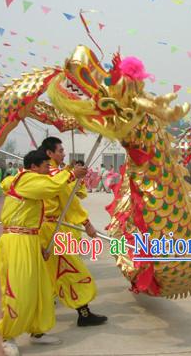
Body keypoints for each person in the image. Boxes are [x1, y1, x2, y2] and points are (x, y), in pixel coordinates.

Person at [0, 150, 87, 356]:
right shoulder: (28, 179)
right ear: (34, 167)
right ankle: (8, 335)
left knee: (41, 290)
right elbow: (51, 187)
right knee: (19, 289)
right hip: (16, 242)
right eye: (46, 166)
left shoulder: (25, 181)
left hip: (30, 239)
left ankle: (37, 332)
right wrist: (72, 174)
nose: (49, 170)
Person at [39, 137, 107, 327]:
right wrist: (87, 224)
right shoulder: (53, 174)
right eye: (60, 151)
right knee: (72, 271)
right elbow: (71, 201)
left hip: (49, 228)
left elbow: (78, 193)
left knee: (51, 273)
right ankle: (83, 314)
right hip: (54, 231)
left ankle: (44, 312)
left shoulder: (51, 172)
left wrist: (73, 176)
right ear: (49, 153)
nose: (63, 153)